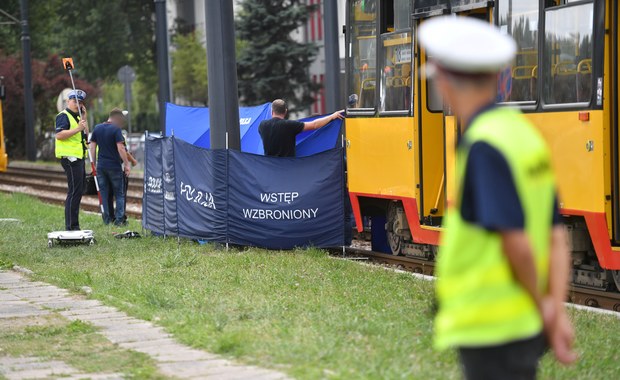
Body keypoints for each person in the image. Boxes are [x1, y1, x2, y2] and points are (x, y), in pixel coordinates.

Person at [419, 16, 576, 379]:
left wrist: (544, 310)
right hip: (519, 322)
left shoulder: (483, 145)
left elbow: (514, 241)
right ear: (498, 78)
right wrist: (555, 306)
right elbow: (555, 235)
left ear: (443, 80)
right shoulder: (524, 135)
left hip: (490, 322)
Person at [259, 99, 344, 157]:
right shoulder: (290, 125)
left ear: (272, 111)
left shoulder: (262, 126)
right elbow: (314, 125)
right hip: (288, 167)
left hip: (270, 167)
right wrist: (332, 116)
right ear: (285, 111)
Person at [89, 108, 131, 225]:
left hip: (101, 166)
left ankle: (107, 220)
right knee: (119, 194)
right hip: (114, 167)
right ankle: (119, 220)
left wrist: (93, 165)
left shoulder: (97, 128)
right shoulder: (116, 129)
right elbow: (121, 148)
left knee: (104, 194)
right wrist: (127, 164)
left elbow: (92, 147)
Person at [55, 89, 89, 231]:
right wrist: (77, 129)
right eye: (75, 101)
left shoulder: (78, 118)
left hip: (79, 157)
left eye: (80, 102)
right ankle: (71, 227)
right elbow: (59, 135)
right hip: (70, 158)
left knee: (79, 190)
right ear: (68, 101)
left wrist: (85, 118)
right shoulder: (63, 116)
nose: (77, 104)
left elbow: (85, 135)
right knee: (74, 191)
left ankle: (74, 225)